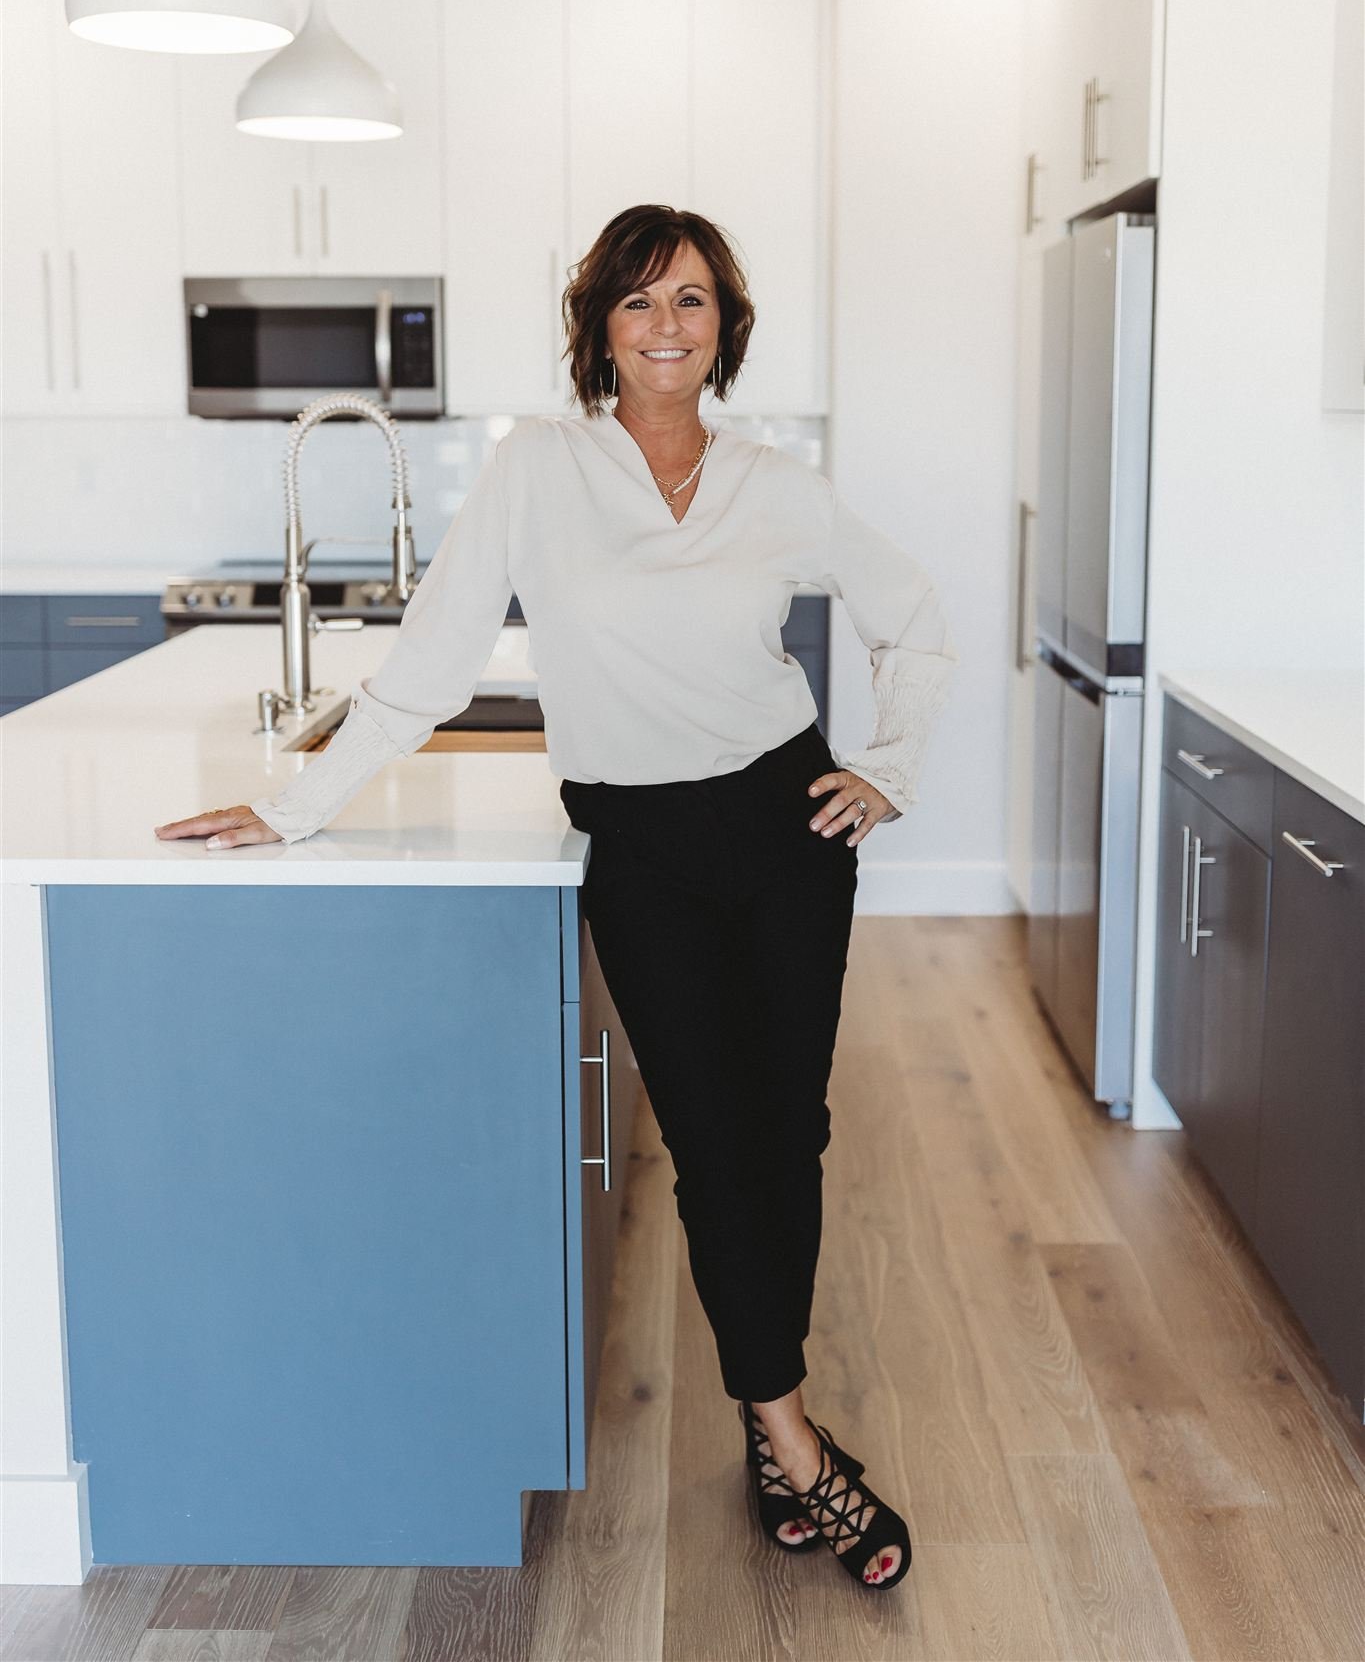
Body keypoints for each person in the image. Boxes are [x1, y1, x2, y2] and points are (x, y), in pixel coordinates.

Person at [156, 204, 957, 1593]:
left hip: (782, 829)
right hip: (642, 850)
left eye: (691, 302)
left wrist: (881, 771)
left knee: (789, 1133)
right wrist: (292, 807)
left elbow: (914, 619)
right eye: (638, 304)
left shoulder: (777, 484)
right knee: (713, 1146)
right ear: (598, 329)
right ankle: (791, 1438)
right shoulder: (537, 470)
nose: (666, 328)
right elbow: (430, 663)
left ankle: (773, 1422)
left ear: (725, 327)